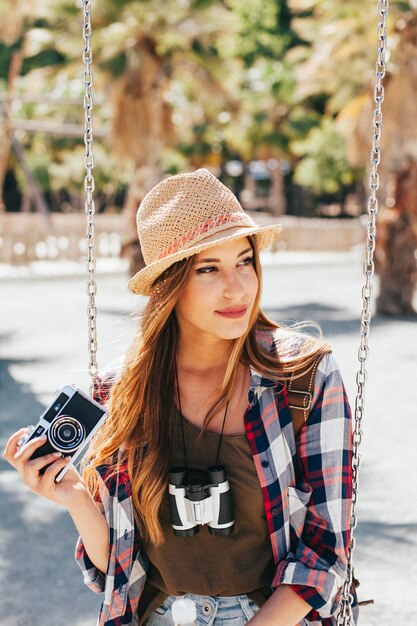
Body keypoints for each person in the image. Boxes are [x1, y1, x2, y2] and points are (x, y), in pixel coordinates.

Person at [4, 168, 357, 626]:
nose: (237, 288)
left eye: (244, 261)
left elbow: (325, 550)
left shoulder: (302, 375)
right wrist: (76, 499)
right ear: (167, 285)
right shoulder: (121, 392)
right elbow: (118, 565)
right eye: (208, 268)